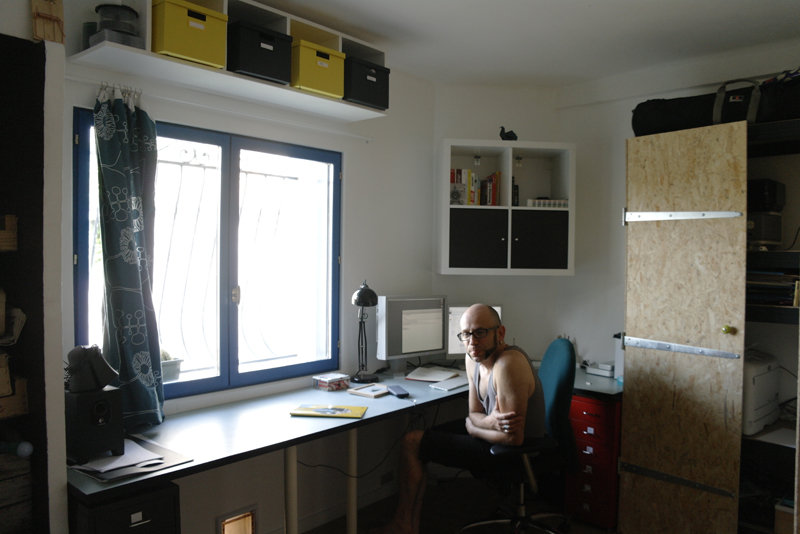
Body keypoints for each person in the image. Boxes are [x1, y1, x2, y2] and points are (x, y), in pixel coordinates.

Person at [374, 303, 546, 534]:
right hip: (493, 437)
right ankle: (408, 525)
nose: (472, 341)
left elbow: (513, 439)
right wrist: (488, 422)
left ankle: (403, 525)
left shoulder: (508, 364)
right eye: (466, 334)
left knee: (413, 443)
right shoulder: (473, 359)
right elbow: (473, 413)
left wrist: (474, 429)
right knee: (420, 440)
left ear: (500, 333)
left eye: (480, 332)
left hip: (514, 454)